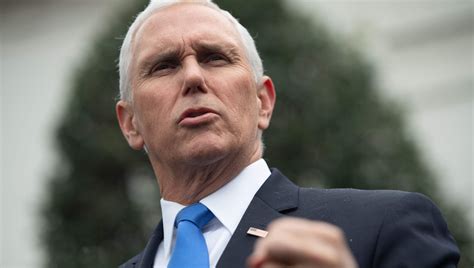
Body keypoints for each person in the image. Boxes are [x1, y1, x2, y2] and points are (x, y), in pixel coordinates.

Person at [115, 0, 460, 267]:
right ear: (130, 123)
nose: (193, 77)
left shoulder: (384, 226)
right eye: (164, 65)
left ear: (263, 102)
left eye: (215, 57)